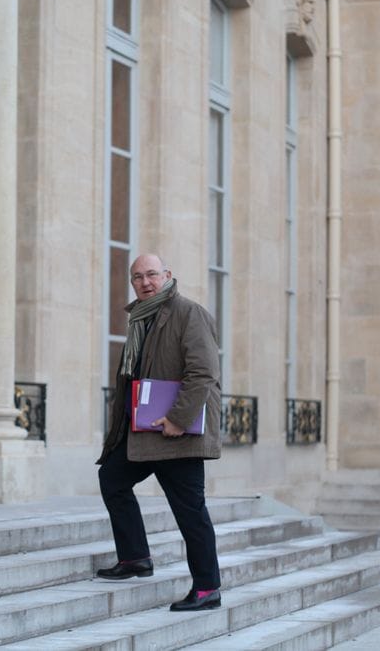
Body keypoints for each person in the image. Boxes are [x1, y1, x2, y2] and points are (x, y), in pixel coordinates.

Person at [96, 253, 223, 612]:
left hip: (178, 435)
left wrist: (178, 419)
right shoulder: (140, 319)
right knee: (113, 479)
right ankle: (135, 557)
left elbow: (203, 373)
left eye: (152, 274)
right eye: (138, 277)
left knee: (190, 511)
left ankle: (207, 588)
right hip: (145, 430)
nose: (145, 282)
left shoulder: (188, 313)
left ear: (168, 275)